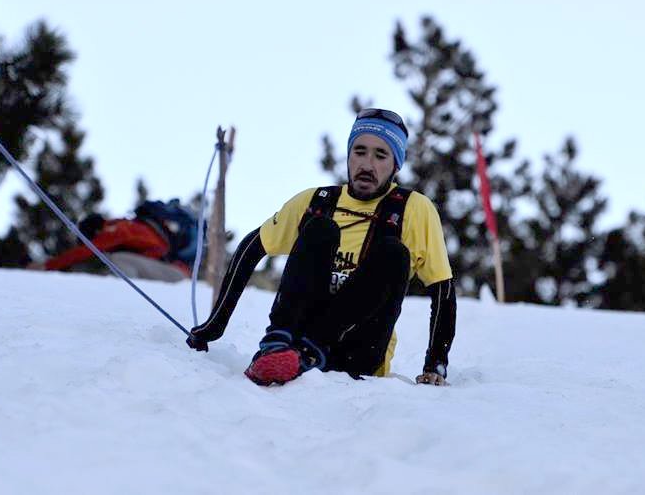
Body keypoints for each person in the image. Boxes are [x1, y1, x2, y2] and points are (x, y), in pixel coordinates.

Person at [186, 108, 456, 387]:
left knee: (394, 253)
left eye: (380, 155)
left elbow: (442, 288)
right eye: (360, 151)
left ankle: (305, 354)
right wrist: (213, 326)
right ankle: (277, 345)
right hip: (292, 342)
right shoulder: (317, 201)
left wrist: (436, 364)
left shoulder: (414, 208)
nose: (367, 164)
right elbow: (252, 247)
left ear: (396, 165)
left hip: (358, 355)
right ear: (349, 155)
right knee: (320, 228)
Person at [29, 200, 200, 282]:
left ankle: (126, 294)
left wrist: (47, 266)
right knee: (117, 260)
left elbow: (88, 250)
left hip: (175, 274)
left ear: (95, 231)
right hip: (173, 271)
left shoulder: (116, 229)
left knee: (118, 260)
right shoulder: (129, 226)